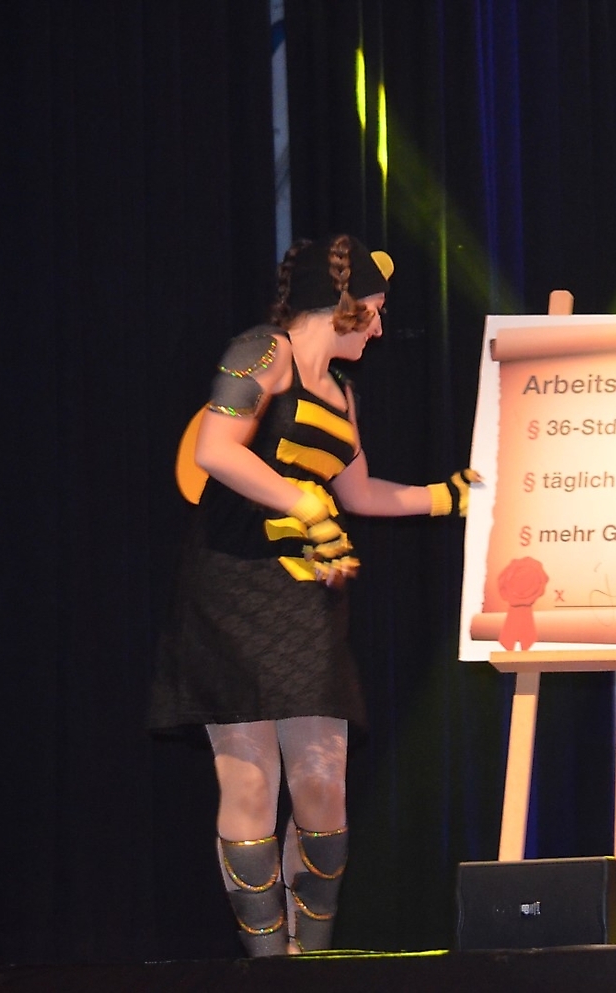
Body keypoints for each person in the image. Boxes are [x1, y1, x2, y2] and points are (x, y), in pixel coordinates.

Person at [148, 235, 477, 956]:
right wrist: (302, 502)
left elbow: (359, 493)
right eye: (377, 310)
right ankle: (272, 963)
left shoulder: (342, 394)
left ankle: (315, 955)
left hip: (307, 597)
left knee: (324, 782)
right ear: (343, 304)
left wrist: (450, 497)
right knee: (250, 780)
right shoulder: (262, 350)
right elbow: (215, 449)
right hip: (234, 584)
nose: (381, 328)